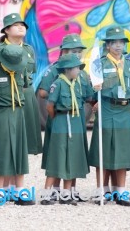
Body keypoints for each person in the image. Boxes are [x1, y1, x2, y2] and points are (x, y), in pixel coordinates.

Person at [38, 34, 92, 201]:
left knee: (75, 152)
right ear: (64, 51)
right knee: (58, 153)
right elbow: (42, 93)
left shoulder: (81, 73)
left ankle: (71, 190)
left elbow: (89, 96)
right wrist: (61, 91)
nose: (77, 54)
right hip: (59, 118)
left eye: (79, 51)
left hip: (77, 118)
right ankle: (54, 189)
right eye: (73, 51)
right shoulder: (55, 69)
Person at [88, 26, 130, 207]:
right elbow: (90, 89)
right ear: (107, 45)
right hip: (107, 108)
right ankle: (102, 191)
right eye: (114, 42)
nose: (118, 46)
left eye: (121, 42)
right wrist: (95, 97)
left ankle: (121, 192)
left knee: (122, 151)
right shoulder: (99, 64)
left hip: (124, 110)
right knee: (104, 150)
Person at [0, 44, 35, 206]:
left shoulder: (21, 71)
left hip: (19, 113)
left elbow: (26, 87)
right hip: (1, 112)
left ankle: (19, 191)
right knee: (2, 151)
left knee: (20, 150)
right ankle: (0, 191)